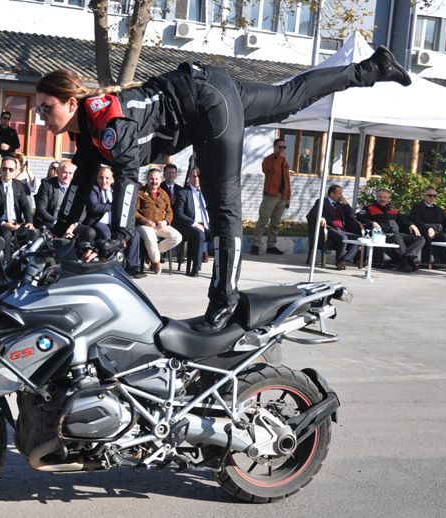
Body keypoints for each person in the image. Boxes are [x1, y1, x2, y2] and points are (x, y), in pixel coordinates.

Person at [36, 45, 411, 329]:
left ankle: (225, 300)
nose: (40, 118)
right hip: (204, 86)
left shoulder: (108, 122)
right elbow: (82, 181)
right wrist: (54, 230)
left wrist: (119, 234)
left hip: (208, 102)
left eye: (45, 108)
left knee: (224, 207)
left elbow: (127, 174)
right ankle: (371, 67)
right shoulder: (86, 131)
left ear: (71, 103)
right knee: (286, 102)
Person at [85, 166, 145, 279]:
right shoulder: (93, 189)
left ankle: (132, 267)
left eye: (107, 178)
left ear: (112, 179)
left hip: (115, 222)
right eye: (101, 178)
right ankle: (111, 266)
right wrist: (114, 206)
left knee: (134, 234)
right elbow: (94, 207)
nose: (104, 181)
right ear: (97, 178)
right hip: (98, 221)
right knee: (107, 235)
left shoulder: (116, 189)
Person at [357, 188, 425, 273]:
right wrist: (372, 222)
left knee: (420, 239)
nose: (382, 199)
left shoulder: (393, 209)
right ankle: (407, 263)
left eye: (385, 197)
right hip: (381, 235)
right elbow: (360, 217)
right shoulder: (369, 208)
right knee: (396, 237)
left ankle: (406, 260)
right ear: (376, 197)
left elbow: (403, 219)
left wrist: (411, 225)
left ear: (388, 198)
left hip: (395, 234)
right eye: (380, 197)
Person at [409, 185, 446, 272]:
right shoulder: (418, 207)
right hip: (428, 233)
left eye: (434, 196)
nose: (432, 198)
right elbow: (415, 220)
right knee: (444, 236)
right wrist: (428, 227)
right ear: (424, 196)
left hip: (440, 231)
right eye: (430, 195)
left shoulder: (438, 209)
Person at [0, 155, 34, 257]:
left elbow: (26, 206)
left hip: (16, 222)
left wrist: (29, 222)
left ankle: (25, 264)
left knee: (33, 233)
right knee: (6, 234)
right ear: (0, 169)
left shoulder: (19, 185)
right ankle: (6, 264)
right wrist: (4, 223)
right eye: (4, 168)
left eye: (11, 169)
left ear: (16, 171)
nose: (7, 172)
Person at [135, 168, 182, 274]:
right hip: (145, 225)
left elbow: (169, 212)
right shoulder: (140, 193)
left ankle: (150, 254)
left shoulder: (164, 194)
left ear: (160, 180)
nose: (154, 181)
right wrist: (144, 220)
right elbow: (134, 211)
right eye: (151, 179)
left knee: (177, 237)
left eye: (156, 179)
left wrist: (165, 221)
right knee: (151, 239)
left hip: (161, 225)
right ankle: (156, 261)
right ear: (147, 179)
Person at [305, 184, 360, 270]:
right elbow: (313, 213)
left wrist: (346, 204)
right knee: (343, 238)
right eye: (339, 193)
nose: (341, 196)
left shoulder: (340, 205)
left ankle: (342, 260)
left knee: (358, 239)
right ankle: (339, 261)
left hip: (340, 230)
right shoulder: (322, 202)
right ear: (332, 194)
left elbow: (352, 215)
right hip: (328, 229)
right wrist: (321, 218)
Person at [251, 138, 290, 256]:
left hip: (282, 196)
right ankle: (255, 244)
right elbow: (271, 170)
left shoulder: (284, 162)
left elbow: (287, 181)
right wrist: (280, 158)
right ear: (274, 147)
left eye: (284, 147)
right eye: (280, 147)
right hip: (270, 195)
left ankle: (271, 246)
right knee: (263, 220)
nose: (282, 149)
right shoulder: (268, 160)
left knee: (275, 223)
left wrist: (288, 197)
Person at [173, 168, 213, 277]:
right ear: (189, 178)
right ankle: (195, 268)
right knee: (199, 234)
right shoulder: (183, 193)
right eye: (194, 176)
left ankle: (220, 270)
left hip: (206, 224)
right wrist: (195, 223)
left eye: (198, 176)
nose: (196, 178)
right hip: (188, 225)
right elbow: (179, 214)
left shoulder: (207, 192)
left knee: (222, 235)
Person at [34, 160, 76, 230]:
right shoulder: (47, 185)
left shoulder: (76, 187)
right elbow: (41, 209)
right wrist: (55, 221)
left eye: (70, 173)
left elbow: (83, 209)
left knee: (89, 232)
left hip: (71, 224)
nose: (67, 176)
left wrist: (74, 224)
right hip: (51, 221)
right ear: (58, 172)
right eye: (65, 172)